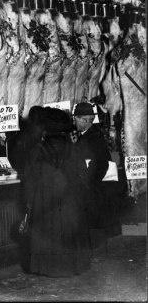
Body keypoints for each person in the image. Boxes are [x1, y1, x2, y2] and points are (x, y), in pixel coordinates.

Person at [23, 108, 91, 277]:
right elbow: (83, 176)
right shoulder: (74, 149)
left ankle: (49, 268)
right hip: (70, 203)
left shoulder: (36, 151)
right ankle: (72, 267)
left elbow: (29, 183)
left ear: (45, 130)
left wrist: (29, 205)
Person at [70, 102, 112, 257]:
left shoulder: (93, 138)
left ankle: (97, 254)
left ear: (85, 120)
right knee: (92, 220)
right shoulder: (87, 135)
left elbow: (103, 164)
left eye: (76, 119)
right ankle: (95, 253)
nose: (74, 122)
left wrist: (88, 181)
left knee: (94, 221)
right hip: (90, 188)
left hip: (92, 189)